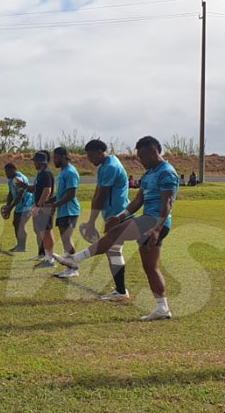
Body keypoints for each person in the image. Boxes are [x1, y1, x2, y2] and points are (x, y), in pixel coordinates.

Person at [51, 136, 179, 321]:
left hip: (154, 221)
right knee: (150, 268)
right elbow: (138, 200)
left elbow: (167, 203)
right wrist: (119, 216)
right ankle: (162, 309)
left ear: (153, 152)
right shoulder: (149, 173)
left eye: (142, 156)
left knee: (115, 234)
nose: (140, 161)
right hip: (149, 221)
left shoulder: (166, 172)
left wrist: (157, 228)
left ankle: (75, 259)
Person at [84, 139, 131, 301]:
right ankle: (120, 290)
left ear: (100, 152)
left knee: (113, 251)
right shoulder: (104, 166)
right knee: (113, 252)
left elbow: (101, 195)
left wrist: (91, 223)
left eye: (91, 156)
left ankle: (121, 291)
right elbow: (97, 194)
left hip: (118, 216)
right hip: (111, 215)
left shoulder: (111, 167)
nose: (90, 160)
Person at [46, 147, 81, 278]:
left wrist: (54, 205)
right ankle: (70, 267)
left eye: (56, 157)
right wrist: (50, 202)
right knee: (65, 240)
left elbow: (71, 194)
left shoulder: (70, 172)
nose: (54, 160)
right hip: (63, 211)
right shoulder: (62, 172)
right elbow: (61, 194)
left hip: (70, 211)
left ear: (64, 157)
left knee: (67, 239)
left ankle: (74, 268)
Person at [30, 151, 57, 268]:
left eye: (35, 161)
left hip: (46, 207)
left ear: (40, 162)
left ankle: (50, 259)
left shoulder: (46, 173)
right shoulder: (41, 173)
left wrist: (39, 205)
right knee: (44, 232)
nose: (34, 164)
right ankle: (47, 257)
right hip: (42, 206)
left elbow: (47, 190)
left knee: (47, 232)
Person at [0, 162, 35, 253]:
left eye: (7, 171)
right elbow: (10, 193)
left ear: (13, 170)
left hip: (26, 205)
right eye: (5, 172)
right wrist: (8, 205)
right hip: (20, 205)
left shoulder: (18, 179)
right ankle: (19, 245)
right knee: (16, 223)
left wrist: (10, 208)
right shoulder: (11, 180)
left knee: (20, 224)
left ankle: (22, 247)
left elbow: (20, 195)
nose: (6, 174)